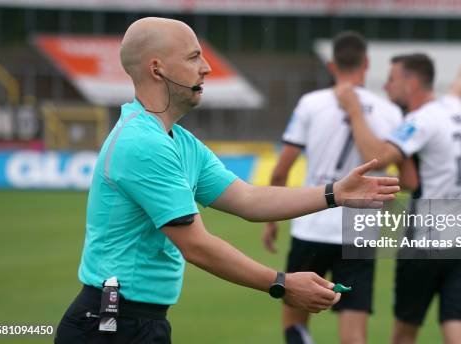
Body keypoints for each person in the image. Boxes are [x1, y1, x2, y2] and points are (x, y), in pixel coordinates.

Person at [54, 17, 401, 344]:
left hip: (136, 321)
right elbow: (197, 246)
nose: (206, 67)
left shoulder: (179, 141)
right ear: (157, 69)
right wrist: (281, 283)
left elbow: (248, 199)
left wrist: (334, 192)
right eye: (193, 57)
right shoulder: (143, 144)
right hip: (109, 323)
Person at [262, 31, 405, 344]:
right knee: (353, 333)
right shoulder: (389, 110)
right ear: (366, 63)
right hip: (360, 230)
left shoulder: (311, 103)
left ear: (331, 64)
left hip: (312, 225)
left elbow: (281, 170)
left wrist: (272, 220)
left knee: (294, 320)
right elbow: (396, 174)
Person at [335, 54, 461, 344]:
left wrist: (354, 110)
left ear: (412, 82)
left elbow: (375, 157)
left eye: (392, 79)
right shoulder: (453, 107)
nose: (387, 86)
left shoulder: (419, 121)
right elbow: (459, 88)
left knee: (404, 333)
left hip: (427, 243)